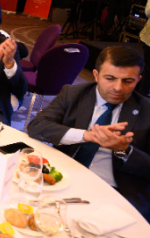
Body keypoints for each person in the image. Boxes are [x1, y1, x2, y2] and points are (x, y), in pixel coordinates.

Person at [27, 46, 150, 221]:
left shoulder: (147, 111)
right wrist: (86, 135)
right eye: (110, 78)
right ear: (96, 75)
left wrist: (124, 150)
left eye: (128, 81)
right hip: (66, 177)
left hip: (115, 191)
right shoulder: (72, 94)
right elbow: (37, 126)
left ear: (138, 80)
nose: (118, 87)